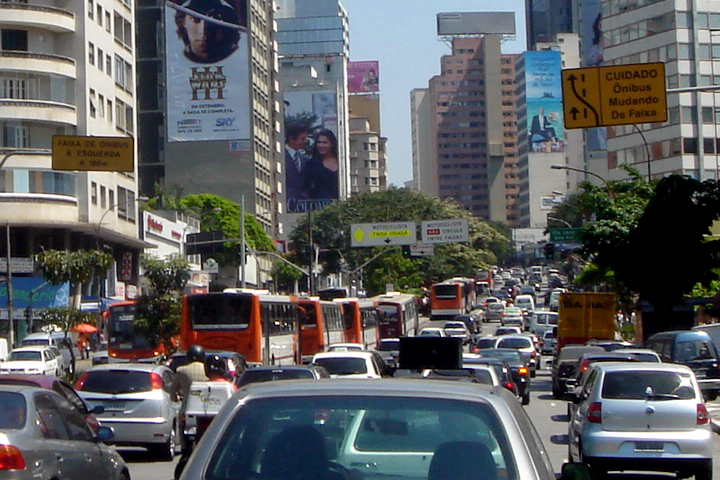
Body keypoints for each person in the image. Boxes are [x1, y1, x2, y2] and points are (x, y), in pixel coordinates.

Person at [173, 0, 245, 64]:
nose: (203, 30)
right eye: (195, 19)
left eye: (214, 19)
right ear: (183, 22)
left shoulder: (238, 59)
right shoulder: (174, 61)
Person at [170, 345, 209, 452]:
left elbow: (173, 391)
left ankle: (184, 448)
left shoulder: (181, 371)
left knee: (182, 424)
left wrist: (175, 398)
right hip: (205, 409)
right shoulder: (207, 369)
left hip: (187, 409)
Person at [304, 129, 339, 200]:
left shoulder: (341, 161)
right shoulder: (312, 164)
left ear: (332, 144)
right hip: (320, 204)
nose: (321, 145)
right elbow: (307, 187)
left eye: (325, 142)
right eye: (319, 142)